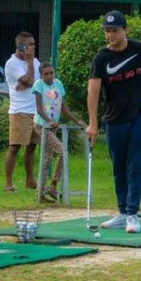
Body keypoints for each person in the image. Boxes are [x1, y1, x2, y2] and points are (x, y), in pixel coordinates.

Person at [85, 10, 141, 233]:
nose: (110, 35)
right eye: (107, 31)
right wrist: (92, 123)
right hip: (114, 119)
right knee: (119, 167)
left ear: (125, 30)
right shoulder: (101, 58)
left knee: (135, 165)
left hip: (140, 116)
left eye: (114, 31)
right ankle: (123, 212)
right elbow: (93, 92)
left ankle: (133, 213)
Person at [33, 63, 86, 202]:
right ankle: (52, 185)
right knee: (63, 151)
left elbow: (63, 107)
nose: (49, 76)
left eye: (51, 73)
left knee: (47, 159)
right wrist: (49, 120)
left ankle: (42, 192)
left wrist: (76, 121)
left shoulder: (58, 84)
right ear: (41, 75)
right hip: (42, 126)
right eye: (46, 74)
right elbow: (39, 108)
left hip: (52, 127)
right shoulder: (39, 85)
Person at [3, 31, 41, 193]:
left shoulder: (37, 62)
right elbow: (29, 80)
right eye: (30, 44)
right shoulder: (12, 64)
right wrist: (30, 64)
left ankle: (30, 180)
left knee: (32, 146)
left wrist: (27, 81)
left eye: (33, 44)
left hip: (36, 110)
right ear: (20, 46)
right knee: (15, 147)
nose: (33, 47)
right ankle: (8, 183)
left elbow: (37, 83)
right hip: (20, 110)